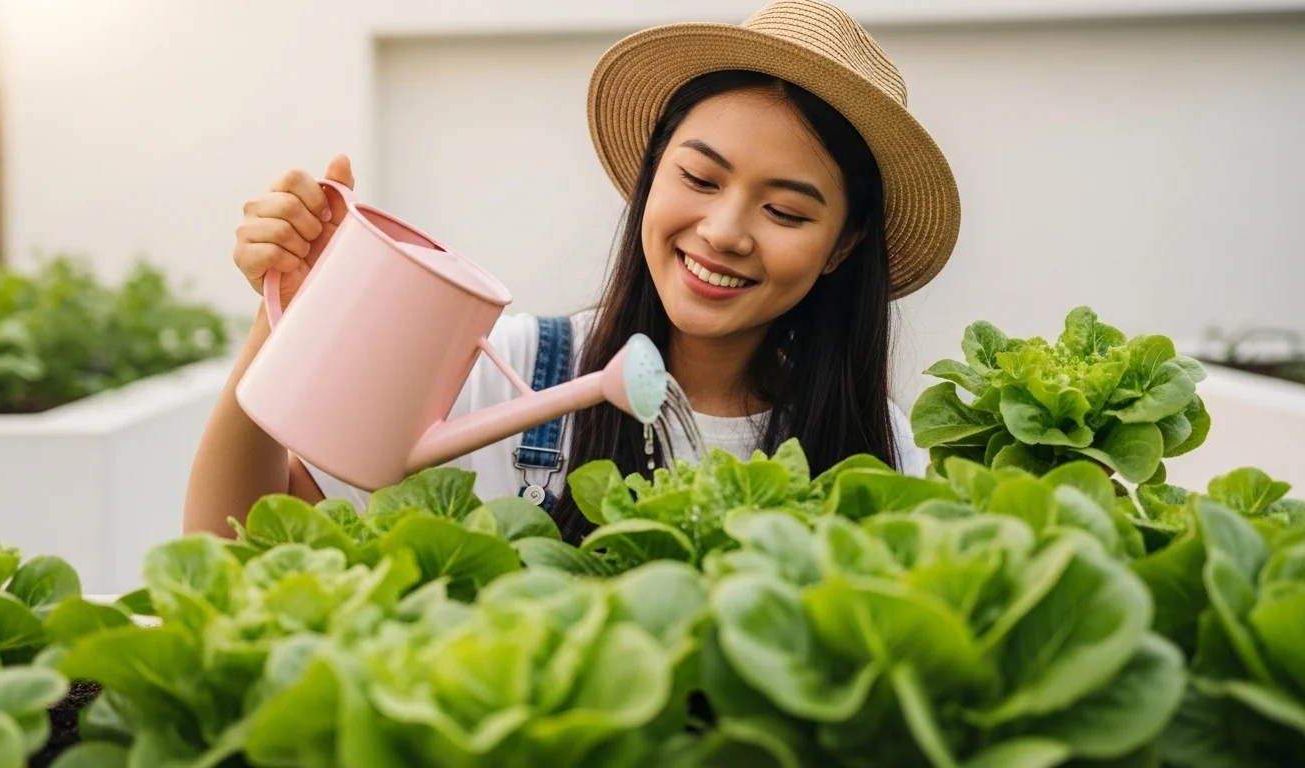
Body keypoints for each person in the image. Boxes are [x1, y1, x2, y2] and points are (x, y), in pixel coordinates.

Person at [184, 0, 961, 544]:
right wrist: (284, 309)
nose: (724, 233)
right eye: (699, 179)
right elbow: (238, 539)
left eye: (785, 213)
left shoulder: (881, 451)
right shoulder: (500, 372)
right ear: (651, 175)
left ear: (844, 244)